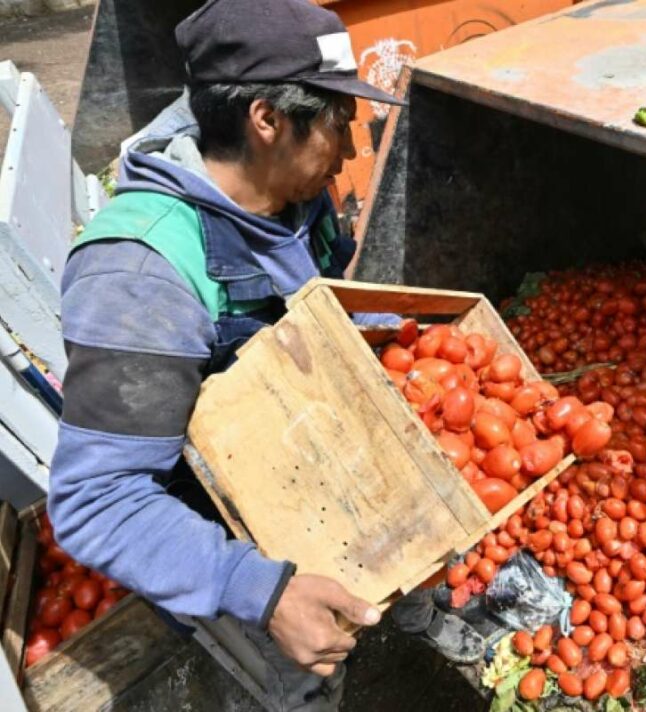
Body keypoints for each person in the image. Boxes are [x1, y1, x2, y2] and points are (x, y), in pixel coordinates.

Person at [47, 0, 410, 708]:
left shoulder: (292, 192)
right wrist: (262, 592)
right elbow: (95, 501)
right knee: (301, 680)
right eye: (337, 121)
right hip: (219, 526)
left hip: (303, 458)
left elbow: (316, 292)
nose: (348, 149)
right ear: (266, 120)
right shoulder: (142, 272)